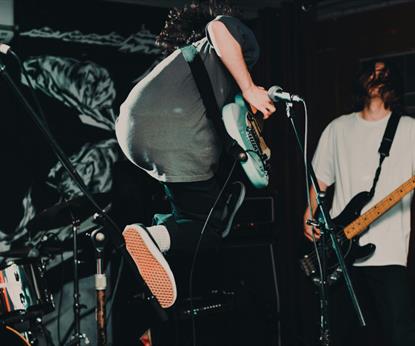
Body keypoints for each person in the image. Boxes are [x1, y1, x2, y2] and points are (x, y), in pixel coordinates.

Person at [115, 1, 276, 309]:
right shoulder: (232, 35)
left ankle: (162, 231)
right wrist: (250, 86)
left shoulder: (192, 66)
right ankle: (156, 235)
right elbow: (219, 27)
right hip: (173, 132)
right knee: (207, 233)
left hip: (131, 130)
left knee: (192, 212)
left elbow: (229, 118)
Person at [303, 60, 415, 346]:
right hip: (341, 253)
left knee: (398, 335)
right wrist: (308, 214)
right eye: (372, 72)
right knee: (346, 336)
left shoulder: (409, 129)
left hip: (390, 254)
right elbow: (320, 181)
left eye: (384, 73)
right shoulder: (338, 128)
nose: (377, 78)